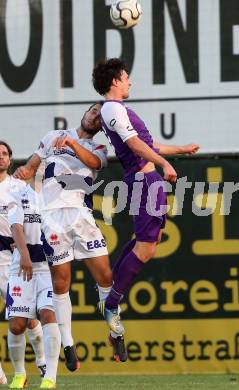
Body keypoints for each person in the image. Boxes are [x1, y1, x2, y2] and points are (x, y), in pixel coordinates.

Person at [92, 58, 200, 335]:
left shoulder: (119, 109)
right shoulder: (112, 108)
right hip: (144, 180)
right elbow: (134, 144)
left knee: (148, 242)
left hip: (146, 179)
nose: (130, 81)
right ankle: (111, 301)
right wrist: (164, 165)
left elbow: (149, 145)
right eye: (126, 77)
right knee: (146, 247)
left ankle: (110, 293)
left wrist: (181, 149)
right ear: (115, 81)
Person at [13, 103, 126, 365]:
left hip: (80, 215)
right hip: (52, 217)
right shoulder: (52, 136)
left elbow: (93, 162)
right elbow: (31, 167)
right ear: (86, 112)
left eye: (100, 117)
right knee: (61, 281)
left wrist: (73, 146)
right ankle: (68, 344)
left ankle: (115, 331)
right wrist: (24, 173)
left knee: (106, 277)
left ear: (103, 127)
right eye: (94, 111)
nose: (96, 116)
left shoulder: (99, 148)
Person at [0, 141, 46, 385]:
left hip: (11, 257)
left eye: (5, 154)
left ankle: (41, 362)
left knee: (24, 317)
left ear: (10, 159)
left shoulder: (18, 187)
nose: (1, 158)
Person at [6, 182, 61, 389]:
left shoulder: (57, 194)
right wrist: (25, 255)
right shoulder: (17, 193)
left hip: (49, 267)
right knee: (17, 324)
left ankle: (50, 377)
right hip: (22, 265)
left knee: (48, 314)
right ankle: (20, 375)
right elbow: (16, 226)